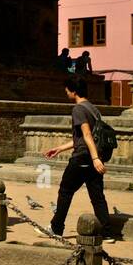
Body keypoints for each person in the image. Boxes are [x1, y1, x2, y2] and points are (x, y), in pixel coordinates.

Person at [44, 76, 112, 239]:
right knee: (97, 196)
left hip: (83, 158)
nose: (66, 92)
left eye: (67, 90)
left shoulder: (78, 109)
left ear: (73, 91)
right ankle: (106, 232)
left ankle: (56, 228)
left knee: (65, 191)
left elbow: (87, 135)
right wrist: (59, 148)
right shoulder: (93, 109)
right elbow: (82, 138)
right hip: (93, 157)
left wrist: (94, 158)